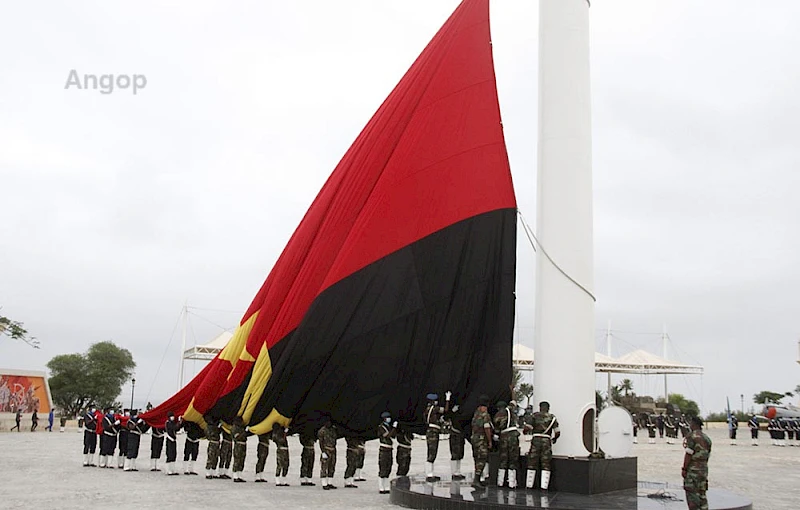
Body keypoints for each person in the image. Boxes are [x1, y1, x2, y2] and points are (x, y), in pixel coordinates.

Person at [524, 401, 560, 491]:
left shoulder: (534, 416)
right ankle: (544, 487)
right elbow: (557, 432)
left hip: (536, 440)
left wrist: (525, 432)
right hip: (546, 441)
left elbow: (527, 428)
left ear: (540, 407)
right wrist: (554, 439)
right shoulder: (552, 418)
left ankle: (529, 485)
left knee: (532, 462)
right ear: (548, 408)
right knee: (546, 463)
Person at [682, 415, 712, 510]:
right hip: (703, 469)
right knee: (702, 494)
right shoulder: (707, 438)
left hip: (693, 470)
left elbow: (688, 454)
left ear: (694, 424)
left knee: (692, 495)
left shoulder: (692, 436)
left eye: (691, 423)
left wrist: (684, 469)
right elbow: (707, 455)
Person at [424, 391, 451, 482]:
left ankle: (430, 473)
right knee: (432, 452)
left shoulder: (427, 409)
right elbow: (446, 410)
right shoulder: (434, 408)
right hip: (433, 432)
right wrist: (447, 399)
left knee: (431, 452)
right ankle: (429, 474)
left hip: (431, 430)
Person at [494, 400, 520, 489]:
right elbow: (513, 403)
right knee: (513, 458)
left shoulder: (498, 414)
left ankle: (500, 482)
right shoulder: (511, 411)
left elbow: (497, 428)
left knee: (503, 458)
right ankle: (512, 483)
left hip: (504, 436)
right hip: (514, 435)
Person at [470, 395, 493, 489]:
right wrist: (490, 441)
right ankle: (476, 480)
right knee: (482, 459)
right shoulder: (485, 415)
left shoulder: (476, 413)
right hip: (481, 438)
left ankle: (478, 480)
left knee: (476, 458)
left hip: (474, 438)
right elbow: (487, 428)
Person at [444, 402, 465, 480]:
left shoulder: (462, 412)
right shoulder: (452, 413)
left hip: (460, 434)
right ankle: (453, 473)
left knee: (460, 454)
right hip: (454, 434)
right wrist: (452, 411)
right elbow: (446, 416)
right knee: (454, 454)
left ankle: (458, 472)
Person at [318, 415, 338, 490]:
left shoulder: (333, 429)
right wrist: (323, 452)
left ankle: (330, 482)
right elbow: (321, 442)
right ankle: (324, 483)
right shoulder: (322, 431)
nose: (329, 423)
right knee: (324, 467)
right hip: (326, 450)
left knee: (332, 466)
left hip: (333, 450)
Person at [377, 411, 395, 494]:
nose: (389, 419)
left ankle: (386, 486)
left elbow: (394, 436)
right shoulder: (381, 427)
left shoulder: (388, 426)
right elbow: (387, 436)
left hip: (389, 449)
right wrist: (394, 428)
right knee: (383, 468)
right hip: (384, 449)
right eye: (387, 418)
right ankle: (381, 487)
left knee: (388, 467)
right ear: (384, 419)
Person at [231, 417, 248, 482]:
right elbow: (237, 437)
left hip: (243, 444)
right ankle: (235, 476)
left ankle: (239, 475)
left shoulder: (240, 427)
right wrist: (244, 432)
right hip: (238, 445)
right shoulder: (234, 428)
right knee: (237, 460)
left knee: (242, 460)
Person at [164, 411, 181, 476]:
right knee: (169, 454)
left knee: (174, 454)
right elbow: (174, 428)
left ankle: (172, 469)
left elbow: (177, 429)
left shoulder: (172, 422)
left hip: (173, 440)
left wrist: (180, 423)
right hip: (169, 439)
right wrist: (179, 422)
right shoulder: (168, 423)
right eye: (171, 416)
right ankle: (168, 470)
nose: (173, 417)